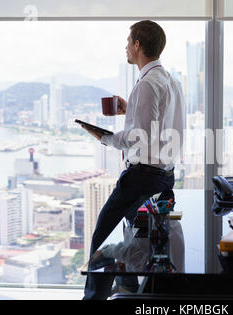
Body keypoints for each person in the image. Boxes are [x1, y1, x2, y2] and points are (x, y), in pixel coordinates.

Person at [80, 20, 185, 300]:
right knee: (137, 240)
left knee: (102, 237)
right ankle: (126, 291)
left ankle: (93, 299)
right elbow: (161, 127)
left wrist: (103, 137)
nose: (125, 47)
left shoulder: (147, 84)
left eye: (128, 42)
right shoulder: (171, 82)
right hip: (164, 176)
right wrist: (131, 109)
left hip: (142, 179)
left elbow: (140, 137)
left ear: (138, 45)